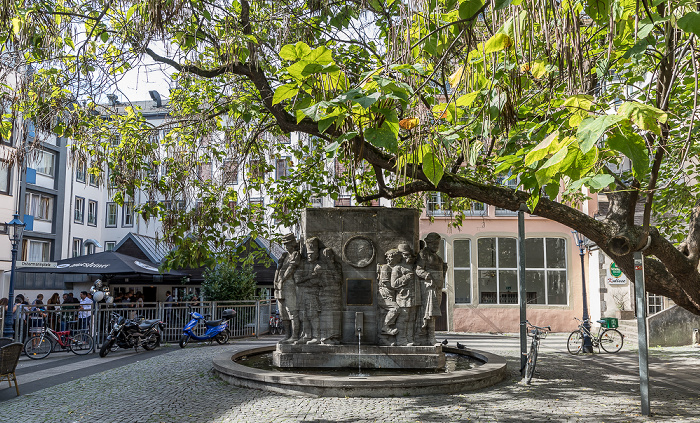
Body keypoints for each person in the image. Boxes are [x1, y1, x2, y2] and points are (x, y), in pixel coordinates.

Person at [416, 232, 447, 346]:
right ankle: (429, 337)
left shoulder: (438, 258)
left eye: (437, 244)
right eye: (434, 244)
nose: (436, 246)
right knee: (428, 313)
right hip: (428, 288)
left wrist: (444, 270)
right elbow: (418, 269)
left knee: (432, 313)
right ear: (428, 243)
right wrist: (426, 276)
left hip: (437, 288)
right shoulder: (424, 254)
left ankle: (431, 336)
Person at [274, 233, 301, 344]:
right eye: (285, 244)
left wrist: (283, 279)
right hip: (279, 287)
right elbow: (278, 270)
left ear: (293, 244)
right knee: (283, 312)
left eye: (288, 244)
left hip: (289, 285)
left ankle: (295, 336)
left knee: (292, 311)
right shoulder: (284, 256)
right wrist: (276, 281)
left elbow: (291, 268)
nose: (286, 246)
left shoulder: (295, 254)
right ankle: (287, 335)